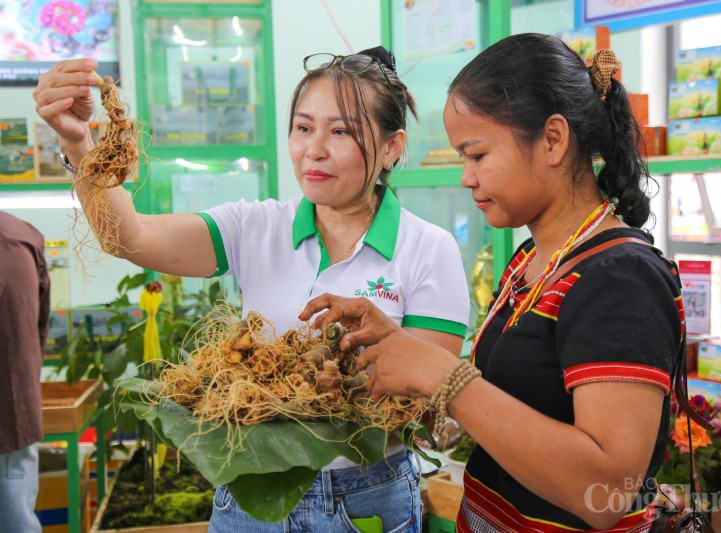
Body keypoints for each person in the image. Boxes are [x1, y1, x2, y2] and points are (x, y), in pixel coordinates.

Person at [33, 47, 469, 532]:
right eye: (303, 128)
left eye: (341, 131)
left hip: (364, 498)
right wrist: (78, 145)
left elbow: (424, 399)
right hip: (248, 499)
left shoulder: (429, 248)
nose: (314, 149)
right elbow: (130, 237)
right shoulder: (253, 226)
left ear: (392, 147)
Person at [303, 33, 683, 532]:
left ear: (552, 139)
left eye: (476, 155)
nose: (466, 177)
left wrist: (443, 376)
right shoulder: (533, 259)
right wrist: (397, 347)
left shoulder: (619, 278)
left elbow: (605, 493)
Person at [0, 211, 51, 533]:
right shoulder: (22, 234)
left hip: (11, 420)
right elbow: (39, 329)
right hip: (13, 415)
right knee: (16, 521)